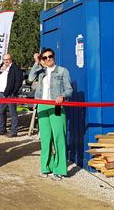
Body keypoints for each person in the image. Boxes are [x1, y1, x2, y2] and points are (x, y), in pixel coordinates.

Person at [29, 48, 72, 180]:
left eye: (50, 56)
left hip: (56, 106)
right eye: (44, 58)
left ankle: (59, 169)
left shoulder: (62, 71)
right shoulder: (41, 72)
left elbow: (69, 89)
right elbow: (30, 78)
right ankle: (46, 167)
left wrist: (62, 96)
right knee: (46, 138)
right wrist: (37, 62)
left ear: (54, 57)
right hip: (42, 106)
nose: (48, 59)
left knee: (58, 137)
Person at [0, 53, 23, 137]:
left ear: (11, 59)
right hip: (1, 93)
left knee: (13, 113)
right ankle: (1, 129)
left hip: (10, 94)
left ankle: (13, 131)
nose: (6, 61)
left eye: (7, 59)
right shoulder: (3, 68)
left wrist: (14, 92)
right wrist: (2, 70)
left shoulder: (15, 68)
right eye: (4, 60)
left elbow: (19, 81)